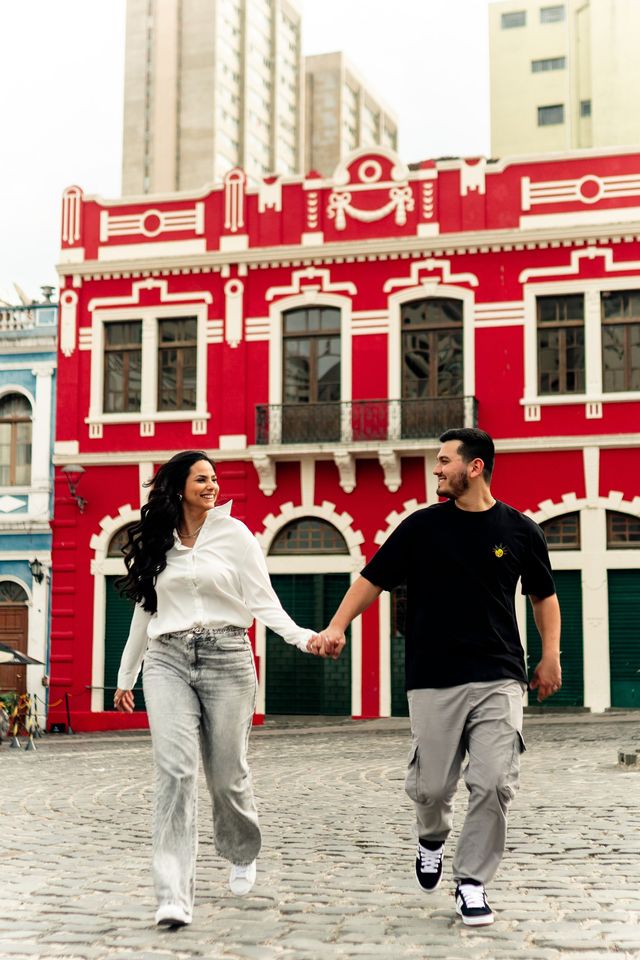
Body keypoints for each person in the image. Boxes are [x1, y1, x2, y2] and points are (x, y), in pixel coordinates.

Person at [313, 428, 561, 926]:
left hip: (499, 674)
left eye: (445, 461)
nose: (437, 469)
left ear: (475, 467)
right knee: (430, 788)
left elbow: (543, 596)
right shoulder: (420, 527)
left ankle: (472, 883)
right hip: (433, 676)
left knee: (493, 782)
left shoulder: (521, 530)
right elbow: (372, 579)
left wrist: (550, 654)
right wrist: (337, 625)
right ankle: (431, 838)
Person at [114, 450, 318, 928]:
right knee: (175, 772)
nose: (211, 486)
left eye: (214, 478)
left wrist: (303, 637)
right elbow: (145, 611)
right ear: (178, 487)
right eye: (201, 479)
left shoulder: (236, 535)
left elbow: (263, 602)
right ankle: (173, 895)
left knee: (227, 774)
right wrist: (126, 675)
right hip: (167, 659)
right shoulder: (158, 542)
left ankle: (241, 850)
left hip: (227, 656)